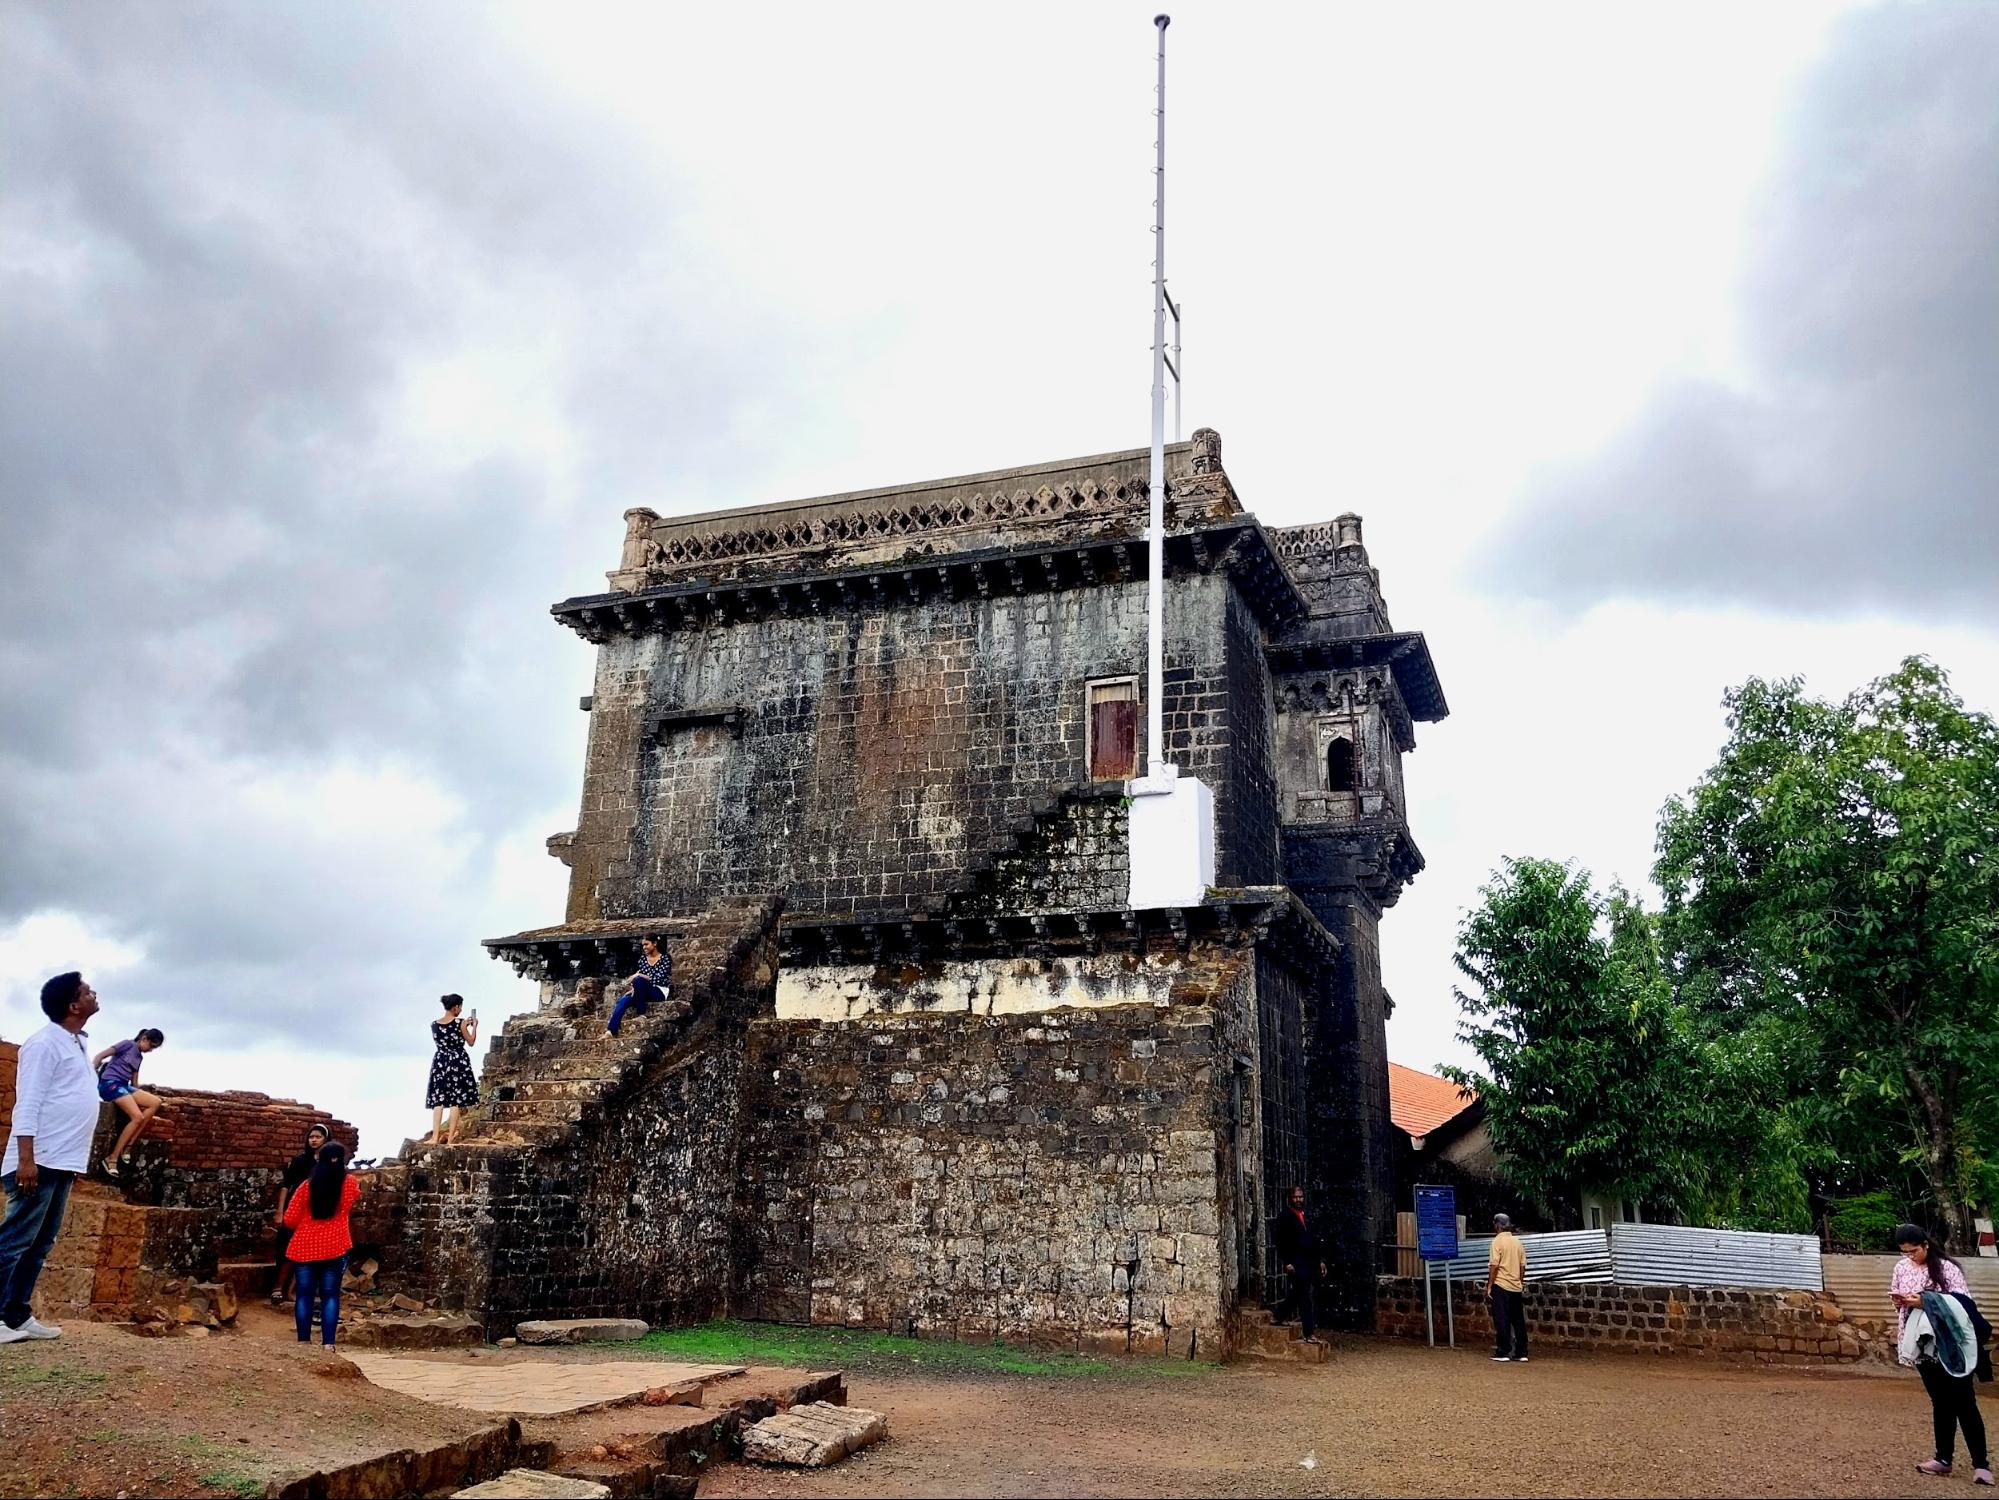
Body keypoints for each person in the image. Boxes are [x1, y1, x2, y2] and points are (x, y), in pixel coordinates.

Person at [0, 973, 103, 1346]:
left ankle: (16, 1314)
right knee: (14, 1241)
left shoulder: (74, 1042)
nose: (93, 993)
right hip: (38, 1161)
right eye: (87, 991)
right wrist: (26, 1159)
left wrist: (73, 1163)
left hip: (61, 1162)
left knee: (40, 1243)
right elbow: (27, 1103)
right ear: (74, 1005)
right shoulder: (44, 1044)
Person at [1892, 1223, 1990, 1483]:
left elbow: (1963, 1304)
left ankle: (1982, 1465)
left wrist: (1925, 1301)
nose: (1910, 1256)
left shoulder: (1948, 1268)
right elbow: (1900, 1306)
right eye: (1905, 1252)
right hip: (1921, 1344)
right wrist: (1900, 1302)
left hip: (1950, 1344)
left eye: (1914, 1251)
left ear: (1925, 1245)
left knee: (1965, 1403)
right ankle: (1943, 1459)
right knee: (1940, 1402)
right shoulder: (1901, 1268)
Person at [283, 1140, 359, 1347]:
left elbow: (289, 1219)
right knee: (330, 1295)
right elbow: (349, 1203)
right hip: (336, 1246)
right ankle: (328, 1344)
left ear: (319, 1158)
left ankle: (303, 1342)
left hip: (304, 1247)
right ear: (342, 1160)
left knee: (304, 1295)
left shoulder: (306, 1186)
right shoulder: (349, 1183)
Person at [92, 1027, 165, 1178]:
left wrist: (137, 1096)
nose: (150, 1050)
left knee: (155, 1102)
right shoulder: (127, 1044)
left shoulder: (139, 1057)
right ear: (144, 1039)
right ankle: (112, 1159)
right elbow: (101, 1056)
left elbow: (134, 1083)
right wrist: (92, 1070)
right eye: (151, 1046)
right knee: (137, 1117)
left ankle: (129, 1145)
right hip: (110, 1083)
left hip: (124, 1086)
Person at [270, 1124, 329, 1305]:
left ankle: (291, 1290)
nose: (314, 1140)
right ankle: (277, 1287)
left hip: (315, 1212)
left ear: (326, 1139)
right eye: (311, 1137)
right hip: (295, 1209)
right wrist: (280, 1211)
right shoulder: (299, 1161)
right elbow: (286, 1186)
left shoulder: (328, 1164)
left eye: (318, 1137)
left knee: (307, 1252)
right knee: (287, 1248)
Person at [1271, 1185, 1326, 1343]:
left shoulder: (1307, 1215)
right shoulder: (1284, 1217)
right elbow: (1281, 1242)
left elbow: (1314, 1239)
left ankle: (1278, 1315)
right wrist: (1287, 1262)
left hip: (1309, 1261)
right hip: (1295, 1262)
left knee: (1297, 1293)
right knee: (1304, 1296)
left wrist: (1320, 1261)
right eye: (1295, 1197)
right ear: (1290, 1199)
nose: (1298, 1200)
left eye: (1300, 1197)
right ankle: (1309, 1333)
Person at [424, 995, 480, 1145]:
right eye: (460, 1007)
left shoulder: (434, 1025)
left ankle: (434, 1137)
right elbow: (471, 1041)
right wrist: (473, 1027)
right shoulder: (460, 1023)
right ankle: (450, 1140)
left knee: (438, 1099)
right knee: (456, 1100)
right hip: (457, 1060)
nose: (460, 1010)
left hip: (440, 1061)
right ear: (455, 1007)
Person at [603, 935, 673, 1040]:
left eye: (646, 944)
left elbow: (658, 979)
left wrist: (638, 975)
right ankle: (610, 1031)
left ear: (654, 944)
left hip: (658, 991)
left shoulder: (664, 958)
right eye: (643, 945)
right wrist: (635, 988)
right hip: (643, 991)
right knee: (623, 1000)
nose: (644, 947)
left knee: (638, 979)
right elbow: (641, 981)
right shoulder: (643, 959)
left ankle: (641, 1014)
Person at [1485, 1212, 1529, 1362]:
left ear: (1497, 1226)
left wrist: (1489, 1285)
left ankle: (1503, 1350)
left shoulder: (1497, 1242)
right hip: (1516, 1286)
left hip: (1501, 1285)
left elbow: (1494, 1266)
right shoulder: (1517, 1242)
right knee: (1518, 1320)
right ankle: (1521, 1352)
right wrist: (1519, 1282)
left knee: (1502, 1318)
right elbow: (1522, 1266)